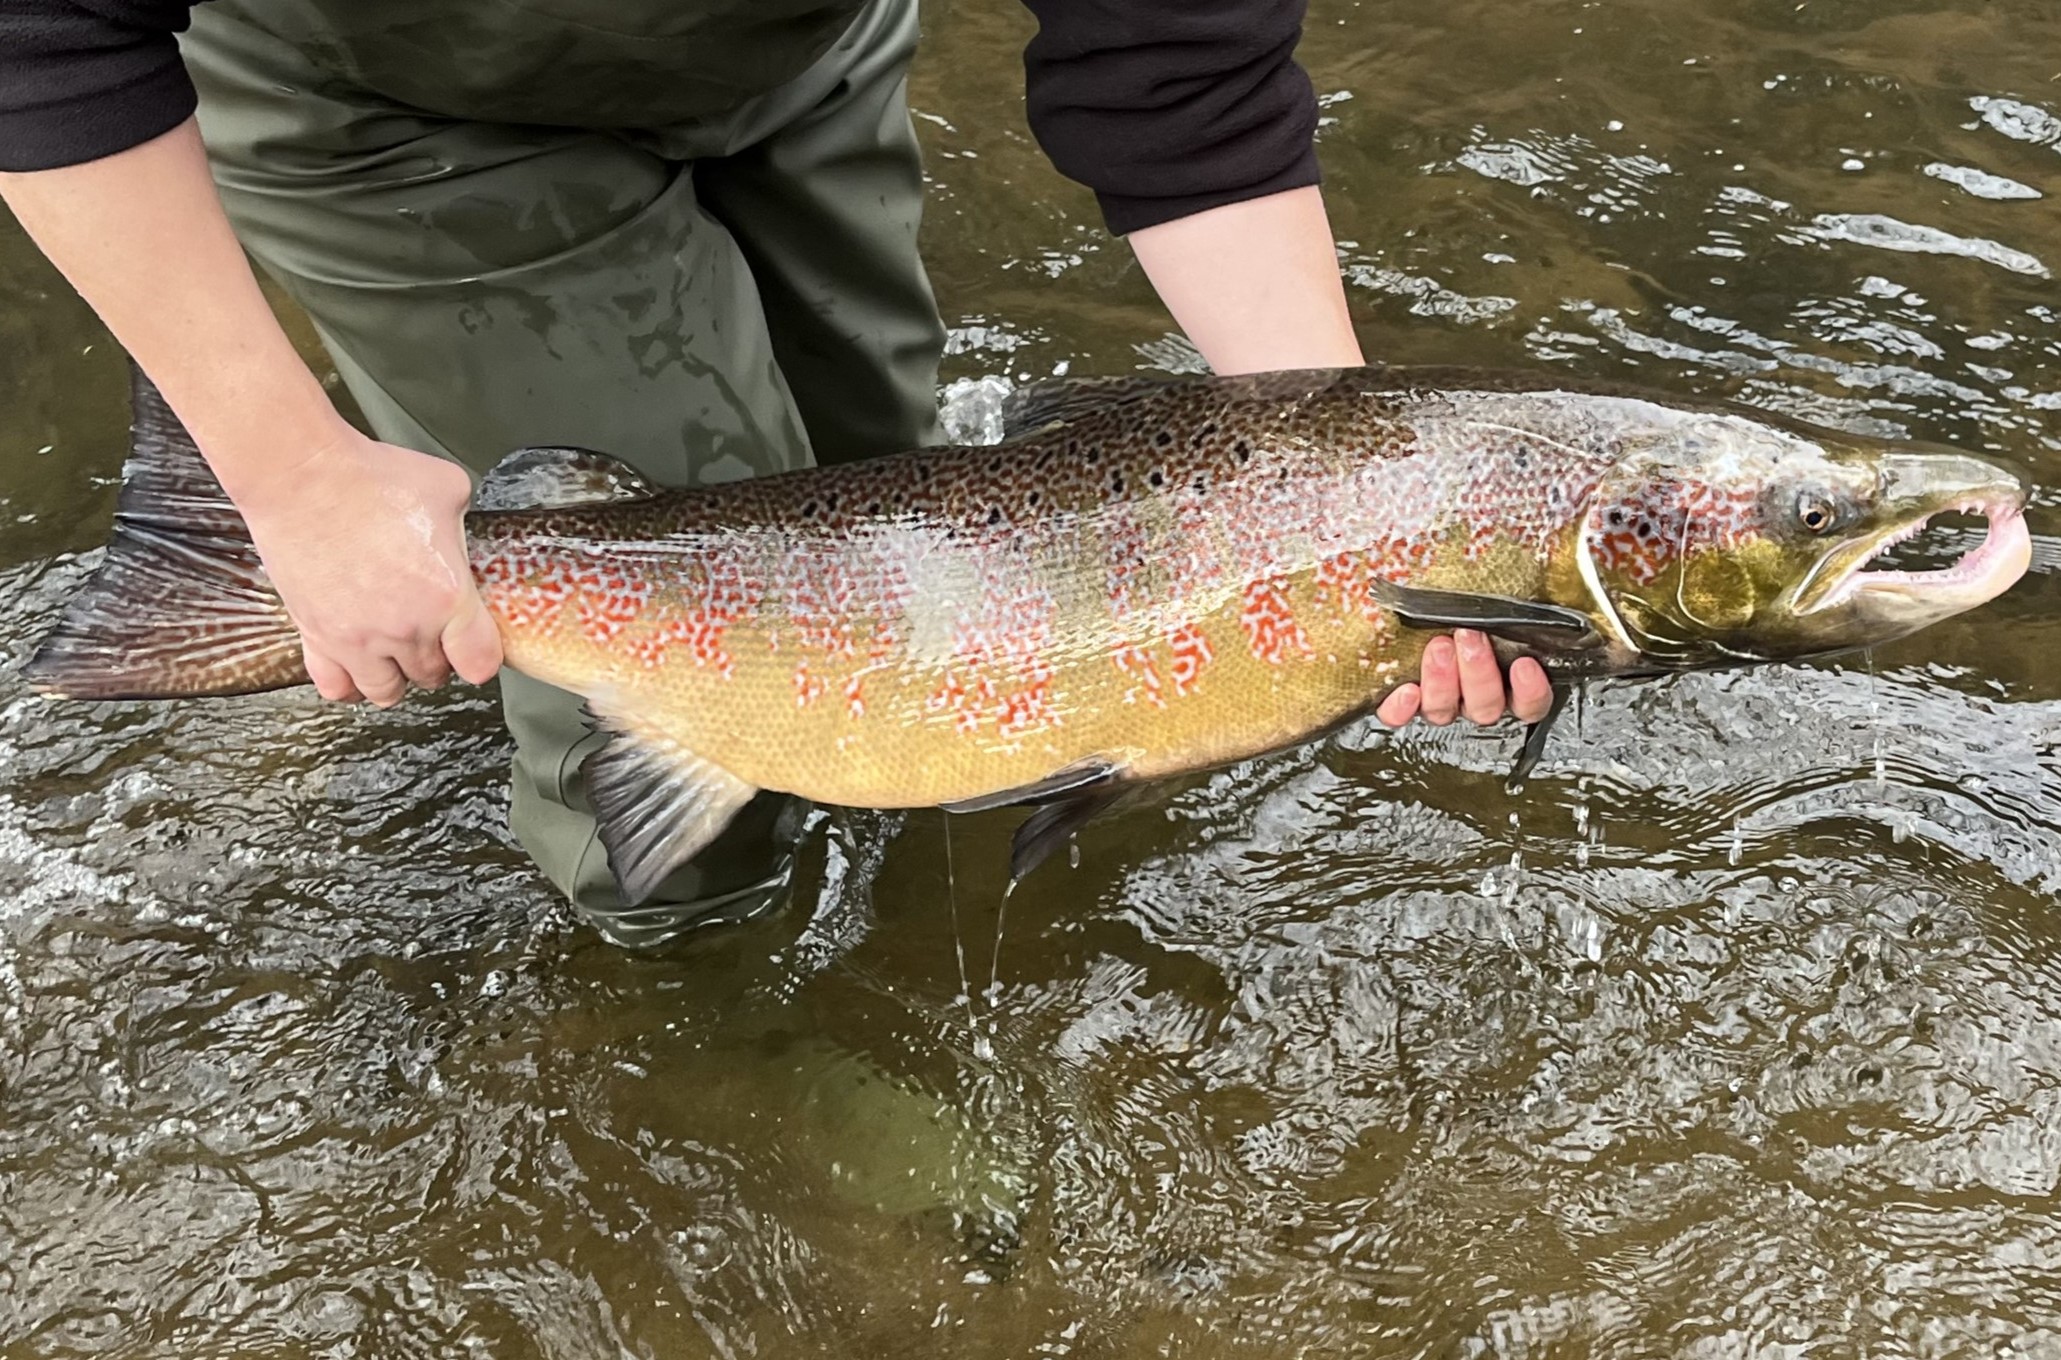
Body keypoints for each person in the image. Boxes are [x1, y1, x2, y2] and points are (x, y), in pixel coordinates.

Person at [0, 0, 1552, 947]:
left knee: (878, 470)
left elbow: (1178, 77)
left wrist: (1357, 501)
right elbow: (43, 35)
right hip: (388, 101)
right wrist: (285, 477)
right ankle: (699, 1001)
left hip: (785, 54)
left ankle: (870, 848)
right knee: (691, 697)